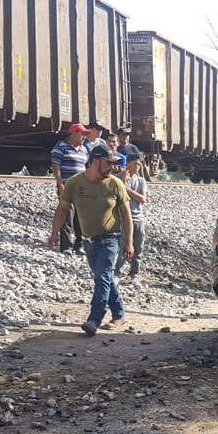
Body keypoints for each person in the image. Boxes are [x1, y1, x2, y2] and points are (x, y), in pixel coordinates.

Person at [48, 146, 134, 335]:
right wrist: (54, 233)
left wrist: (129, 241)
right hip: (89, 241)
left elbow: (126, 215)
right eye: (109, 163)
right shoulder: (74, 183)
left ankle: (94, 319)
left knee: (102, 276)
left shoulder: (115, 184)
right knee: (105, 277)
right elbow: (62, 209)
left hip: (111, 238)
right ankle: (119, 313)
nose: (112, 168)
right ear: (96, 162)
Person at [50, 123, 89, 254]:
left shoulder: (84, 150)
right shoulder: (61, 146)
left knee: (81, 215)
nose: (84, 137)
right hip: (67, 185)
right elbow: (55, 165)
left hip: (81, 186)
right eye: (82, 134)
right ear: (74, 133)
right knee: (67, 214)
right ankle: (66, 246)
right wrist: (60, 183)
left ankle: (79, 245)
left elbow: (87, 168)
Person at [114, 153, 147, 285]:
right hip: (123, 218)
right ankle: (117, 273)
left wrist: (126, 188)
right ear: (127, 164)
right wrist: (123, 182)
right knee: (122, 247)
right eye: (134, 164)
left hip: (138, 218)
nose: (137, 166)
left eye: (139, 164)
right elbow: (118, 195)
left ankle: (134, 274)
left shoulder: (141, 181)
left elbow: (142, 199)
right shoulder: (118, 178)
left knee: (138, 248)